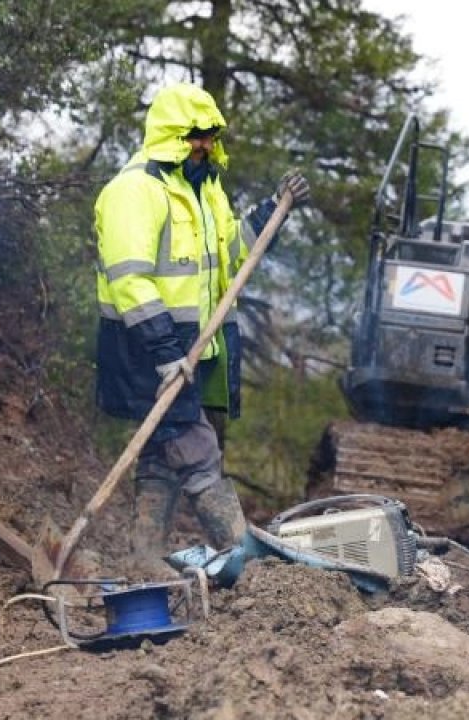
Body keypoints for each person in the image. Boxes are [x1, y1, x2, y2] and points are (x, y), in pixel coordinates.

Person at [93, 82, 310, 576]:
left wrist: (272, 211)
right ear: (171, 135)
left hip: (190, 349)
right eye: (196, 136)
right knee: (198, 450)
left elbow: (235, 255)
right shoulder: (134, 191)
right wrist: (165, 350)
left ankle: (143, 558)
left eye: (211, 136)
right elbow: (130, 280)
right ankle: (251, 565)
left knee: (160, 456)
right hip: (144, 349)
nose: (206, 145)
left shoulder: (205, 190)